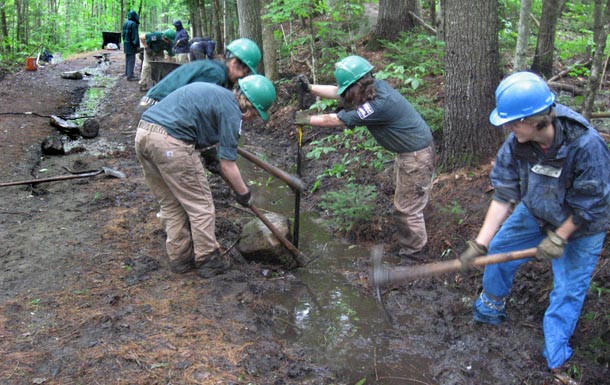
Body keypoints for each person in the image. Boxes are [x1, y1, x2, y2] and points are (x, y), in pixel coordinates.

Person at [459, 71, 610, 381]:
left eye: (514, 121)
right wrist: (480, 244)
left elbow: (591, 202)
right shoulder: (518, 143)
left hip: (583, 225)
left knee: (567, 290)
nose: (508, 127)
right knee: (500, 249)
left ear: (539, 119)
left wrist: (560, 237)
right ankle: (489, 311)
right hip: (537, 210)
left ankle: (556, 359)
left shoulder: (585, 145)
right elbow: (503, 195)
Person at [134, 74, 276, 278]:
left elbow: (191, 118)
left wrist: (209, 154)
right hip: (170, 143)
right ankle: (209, 259)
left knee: (171, 203)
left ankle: (180, 259)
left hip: (144, 133)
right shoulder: (232, 110)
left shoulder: (218, 95)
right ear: (250, 106)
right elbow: (228, 164)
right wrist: (244, 193)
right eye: (255, 114)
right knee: (201, 206)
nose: (252, 119)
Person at [295, 55, 435, 260]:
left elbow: (337, 119)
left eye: (348, 90)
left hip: (416, 157)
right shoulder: (372, 88)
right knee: (407, 203)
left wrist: (307, 119)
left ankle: (415, 254)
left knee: (406, 209)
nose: (346, 96)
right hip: (411, 152)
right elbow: (340, 92)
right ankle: (413, 244)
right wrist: (310, 88)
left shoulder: (378, 106)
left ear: (357, 85)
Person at [140, 37, 260, 106]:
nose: (242, 76)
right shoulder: (215, 75)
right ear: (234, 63)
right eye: (245, 71)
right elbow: (196, 105)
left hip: (157, 104)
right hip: (156, 105)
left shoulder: (217, 70)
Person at [122, 10, 140, 81]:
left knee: (127, 58)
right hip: (131, 44)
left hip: (126, 43)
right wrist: (137, 45)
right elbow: (135, 36)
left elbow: (123, 35)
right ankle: (130, 75)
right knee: (131, 59)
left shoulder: (125, 23)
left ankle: (127, 72)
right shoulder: (133, 24)